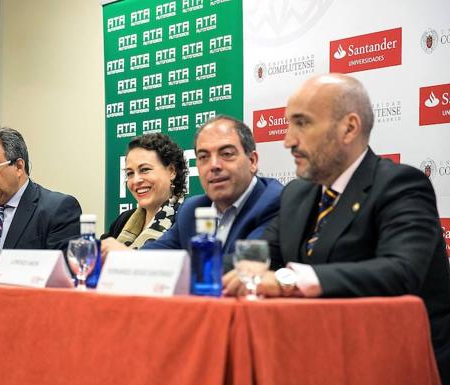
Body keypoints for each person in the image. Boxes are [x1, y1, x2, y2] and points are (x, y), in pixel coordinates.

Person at [242, 73, 449, 384]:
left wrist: (289, 280)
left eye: (303, 123)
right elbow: (261, 256)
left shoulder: (400, 185)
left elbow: (401, 272)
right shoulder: (297, 194)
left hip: (394, 364)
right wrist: (226, 271)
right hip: (314, 358)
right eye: (287, 125)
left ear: (349, 127)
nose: (288, 141)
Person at [142, 115, 283, 278]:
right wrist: (123, 257)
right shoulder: (191, 209)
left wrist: (163, 267)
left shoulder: (274, 202)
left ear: (252, 161)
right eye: (203, 157)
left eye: (227, 154)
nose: (214, 165)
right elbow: (155, 254)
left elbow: (246, 264)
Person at [100, 133, 188, 258]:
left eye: (145, 170)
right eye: (130, 173)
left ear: (171, 171)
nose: (136, 180)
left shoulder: (186, 218)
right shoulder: (123, 220)